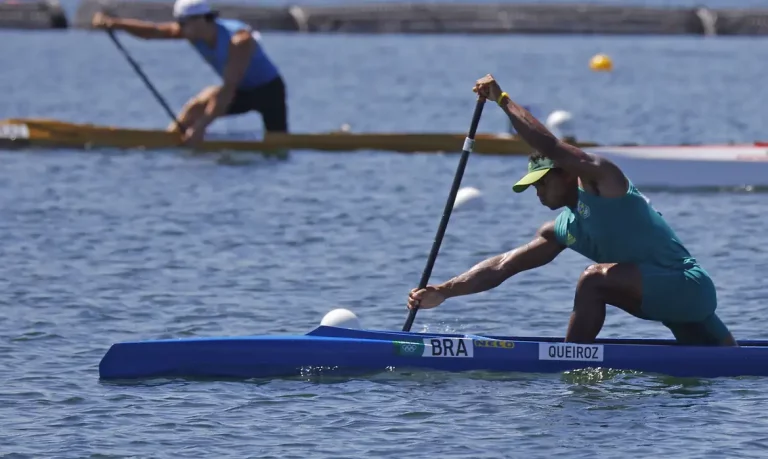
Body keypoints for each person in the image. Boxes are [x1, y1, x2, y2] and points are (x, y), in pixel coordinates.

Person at [406, 74, 737, 347]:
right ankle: (572, 357)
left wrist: (502, 100)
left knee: (592, 280)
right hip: (671, 304)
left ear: (566, 173)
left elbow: (550, 147)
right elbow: (502, 267)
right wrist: (443, 291)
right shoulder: (563, 228)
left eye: (541, 183)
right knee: (729, 361)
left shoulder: (604, 183)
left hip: (688, 286)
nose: (537, 193)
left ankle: (571, 359)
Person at [92, 0, 288, 146]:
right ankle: (169, 140)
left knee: (278, 144)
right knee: (195, 107)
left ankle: (192, 136)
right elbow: (153, 31)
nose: (179, 28)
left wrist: (201, 127)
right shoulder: (193, 32)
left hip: (269, 92)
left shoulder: (239, 41)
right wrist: (114, 23)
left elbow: (228, 89)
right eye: (179, 22)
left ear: (203, 19)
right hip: (240, 90)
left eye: (183, 22)